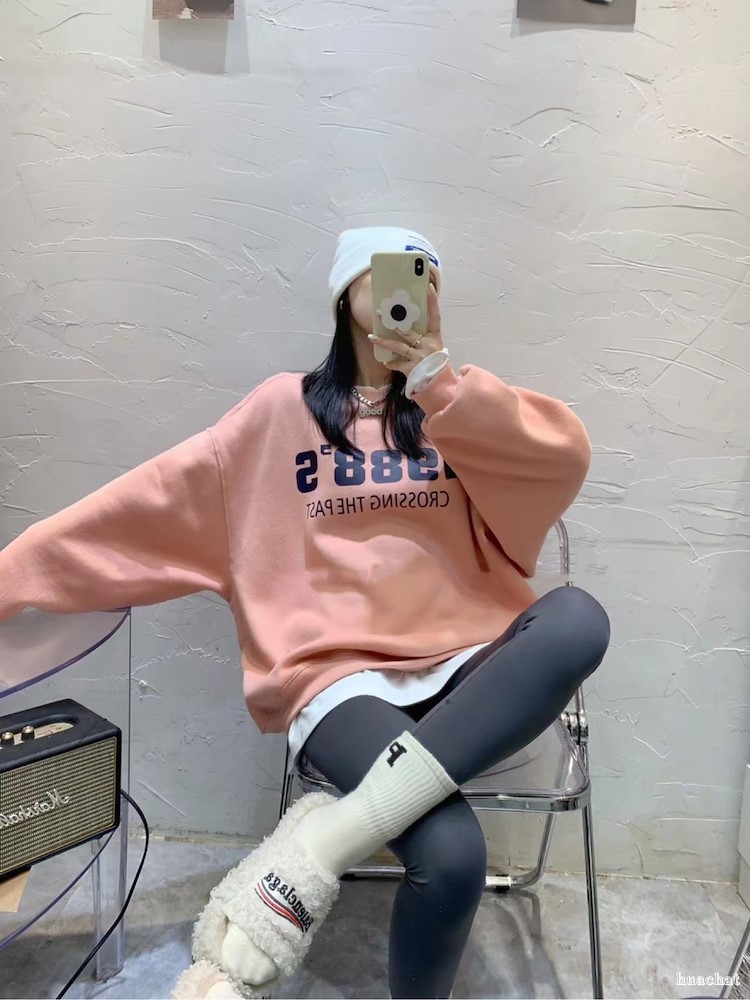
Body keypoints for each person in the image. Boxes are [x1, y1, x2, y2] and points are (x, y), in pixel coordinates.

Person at [0, 227, 610, 1000]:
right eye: (392, 272)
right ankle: (349, 833)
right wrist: (12, 576)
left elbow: (561, 460)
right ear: (345, 294)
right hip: (339, 680)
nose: (414, 287)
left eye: (428, 275)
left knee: (579, 618)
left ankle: (326, 841)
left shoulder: (452, 407)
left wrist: (436, 380)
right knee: (453, 857)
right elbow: (144, 506)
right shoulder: (276, 414)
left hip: (468, 666)